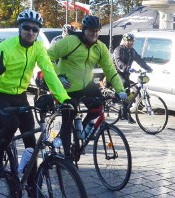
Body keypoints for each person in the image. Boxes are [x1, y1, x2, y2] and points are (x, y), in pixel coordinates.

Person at [0, 10, 71, 198]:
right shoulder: (5, 47)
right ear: (20, 27)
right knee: (11, 124)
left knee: (31, 142)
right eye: (27, 27)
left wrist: (63, 99)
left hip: (19, 95)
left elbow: (49, 72)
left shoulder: (38, 47)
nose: (31, 32)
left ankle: (32, 185)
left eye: (35, 29)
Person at [47, 15, 127, 159]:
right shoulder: (71, 42)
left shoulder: (100, 48)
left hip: (87, 84)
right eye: (91, 31)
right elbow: (48, 56)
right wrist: (58, 75)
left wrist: (120, 90)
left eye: (97, 31)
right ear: (84, 30)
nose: (94, 34)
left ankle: (81, 133)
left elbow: (110, 70)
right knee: (68, 120)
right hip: (68, 87)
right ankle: (67, 157)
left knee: (98, 108)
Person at [112, 32, 153, 123]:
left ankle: (124, 112)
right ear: (124, 40)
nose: (131, 43)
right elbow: (118, 63)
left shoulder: (132, 51)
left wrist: (148, 68)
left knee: (130, 93)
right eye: (129, 41)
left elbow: (139, 60)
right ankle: (118, 103)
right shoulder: (118, 50)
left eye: (132, 41)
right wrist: (128, 68)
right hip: (116, 73)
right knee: (124, 85)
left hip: (126, 74)